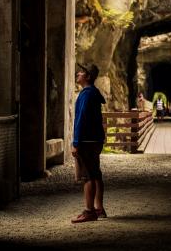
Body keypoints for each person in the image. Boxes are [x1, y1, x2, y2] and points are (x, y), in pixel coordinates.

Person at [71, 64, 107, 224]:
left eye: (81, 72)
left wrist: (76, 142)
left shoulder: (86, 94)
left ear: (88, 77)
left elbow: (81, 119)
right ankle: (99, 208)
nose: (78, 73)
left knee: (87, 176)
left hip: (86, 140)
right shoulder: (93, 93)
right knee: (96, 174)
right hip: (95, 139)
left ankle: (89, 211)